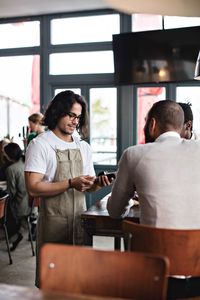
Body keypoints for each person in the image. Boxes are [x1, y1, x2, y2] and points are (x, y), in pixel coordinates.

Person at [24, 90, 113, 287]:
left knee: (79, 283)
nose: (75, 122)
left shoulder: (83, 147)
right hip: (53, 226)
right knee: (53, 285)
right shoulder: (40, 145)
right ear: (57, 112)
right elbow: (33, 188)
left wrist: (97, 184)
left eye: (78, 118)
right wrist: (71, 183)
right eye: (71, 115)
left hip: (79, 224)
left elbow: (87, 188)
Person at [107, 99, 200, 229]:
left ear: (152, 123)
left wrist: (131, 193)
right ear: (181, 126)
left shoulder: (133, 154)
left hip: (152, 246)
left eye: (146, 122)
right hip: (196, 247)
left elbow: (115, 211)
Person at [3, 142, 31, 251]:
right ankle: (17, 233)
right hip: (31, 205)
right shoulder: (26, 163)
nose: (3, 155)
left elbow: (11, 193)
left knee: (5, 206)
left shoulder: (11, 169)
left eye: (4, 154)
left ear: (9, 155)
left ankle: (13, 235)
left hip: (20, 207)